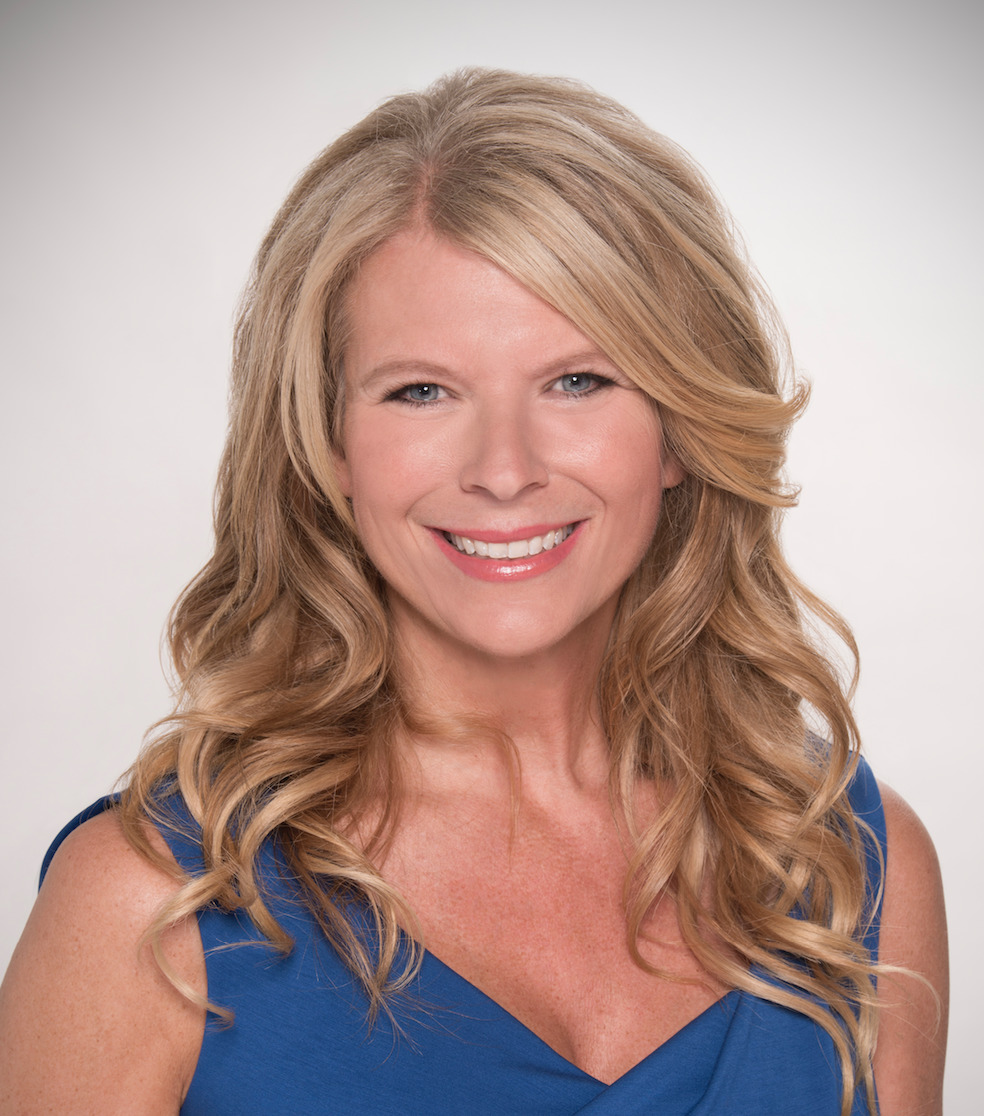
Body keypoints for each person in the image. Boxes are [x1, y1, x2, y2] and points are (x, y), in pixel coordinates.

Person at [0, 69, 947, 1115]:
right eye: (421, 391)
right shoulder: (149, 905)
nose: (504, 470)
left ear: (679, 428)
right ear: (327, 443)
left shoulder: (854, 866)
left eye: (578, 381)